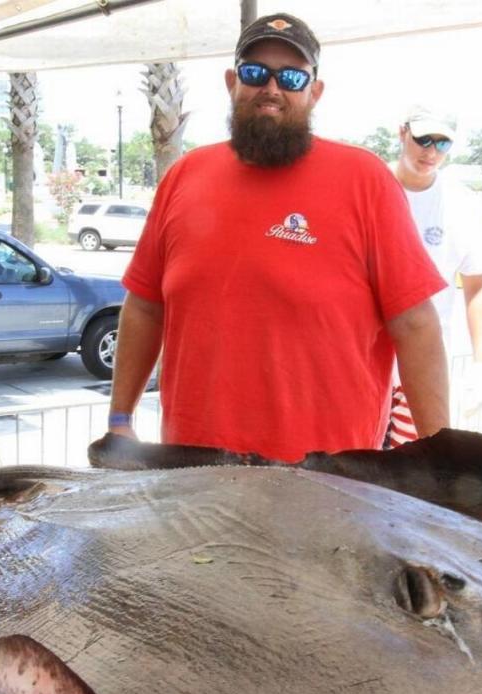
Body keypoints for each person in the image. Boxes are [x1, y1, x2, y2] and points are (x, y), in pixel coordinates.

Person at [100, 13, 449, 463]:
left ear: (314, 92)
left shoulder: (365, 180)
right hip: (192, 474)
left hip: (328, 480)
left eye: (290, 77)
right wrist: (119, 419)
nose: (271, 88)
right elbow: (145, 305)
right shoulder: (184, 176)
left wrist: (442, 458)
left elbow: (416, 324)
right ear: (232, 82)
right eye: (254, 72)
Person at [386, 105, 482, 447]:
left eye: (442, 144)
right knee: (354, 466)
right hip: (363, 362)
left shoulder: (462, 204)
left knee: (412, 469)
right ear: (403, 133)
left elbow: (477, 285)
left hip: (421, 363)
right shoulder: (372, 186)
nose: (430, 152)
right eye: (423, 139)